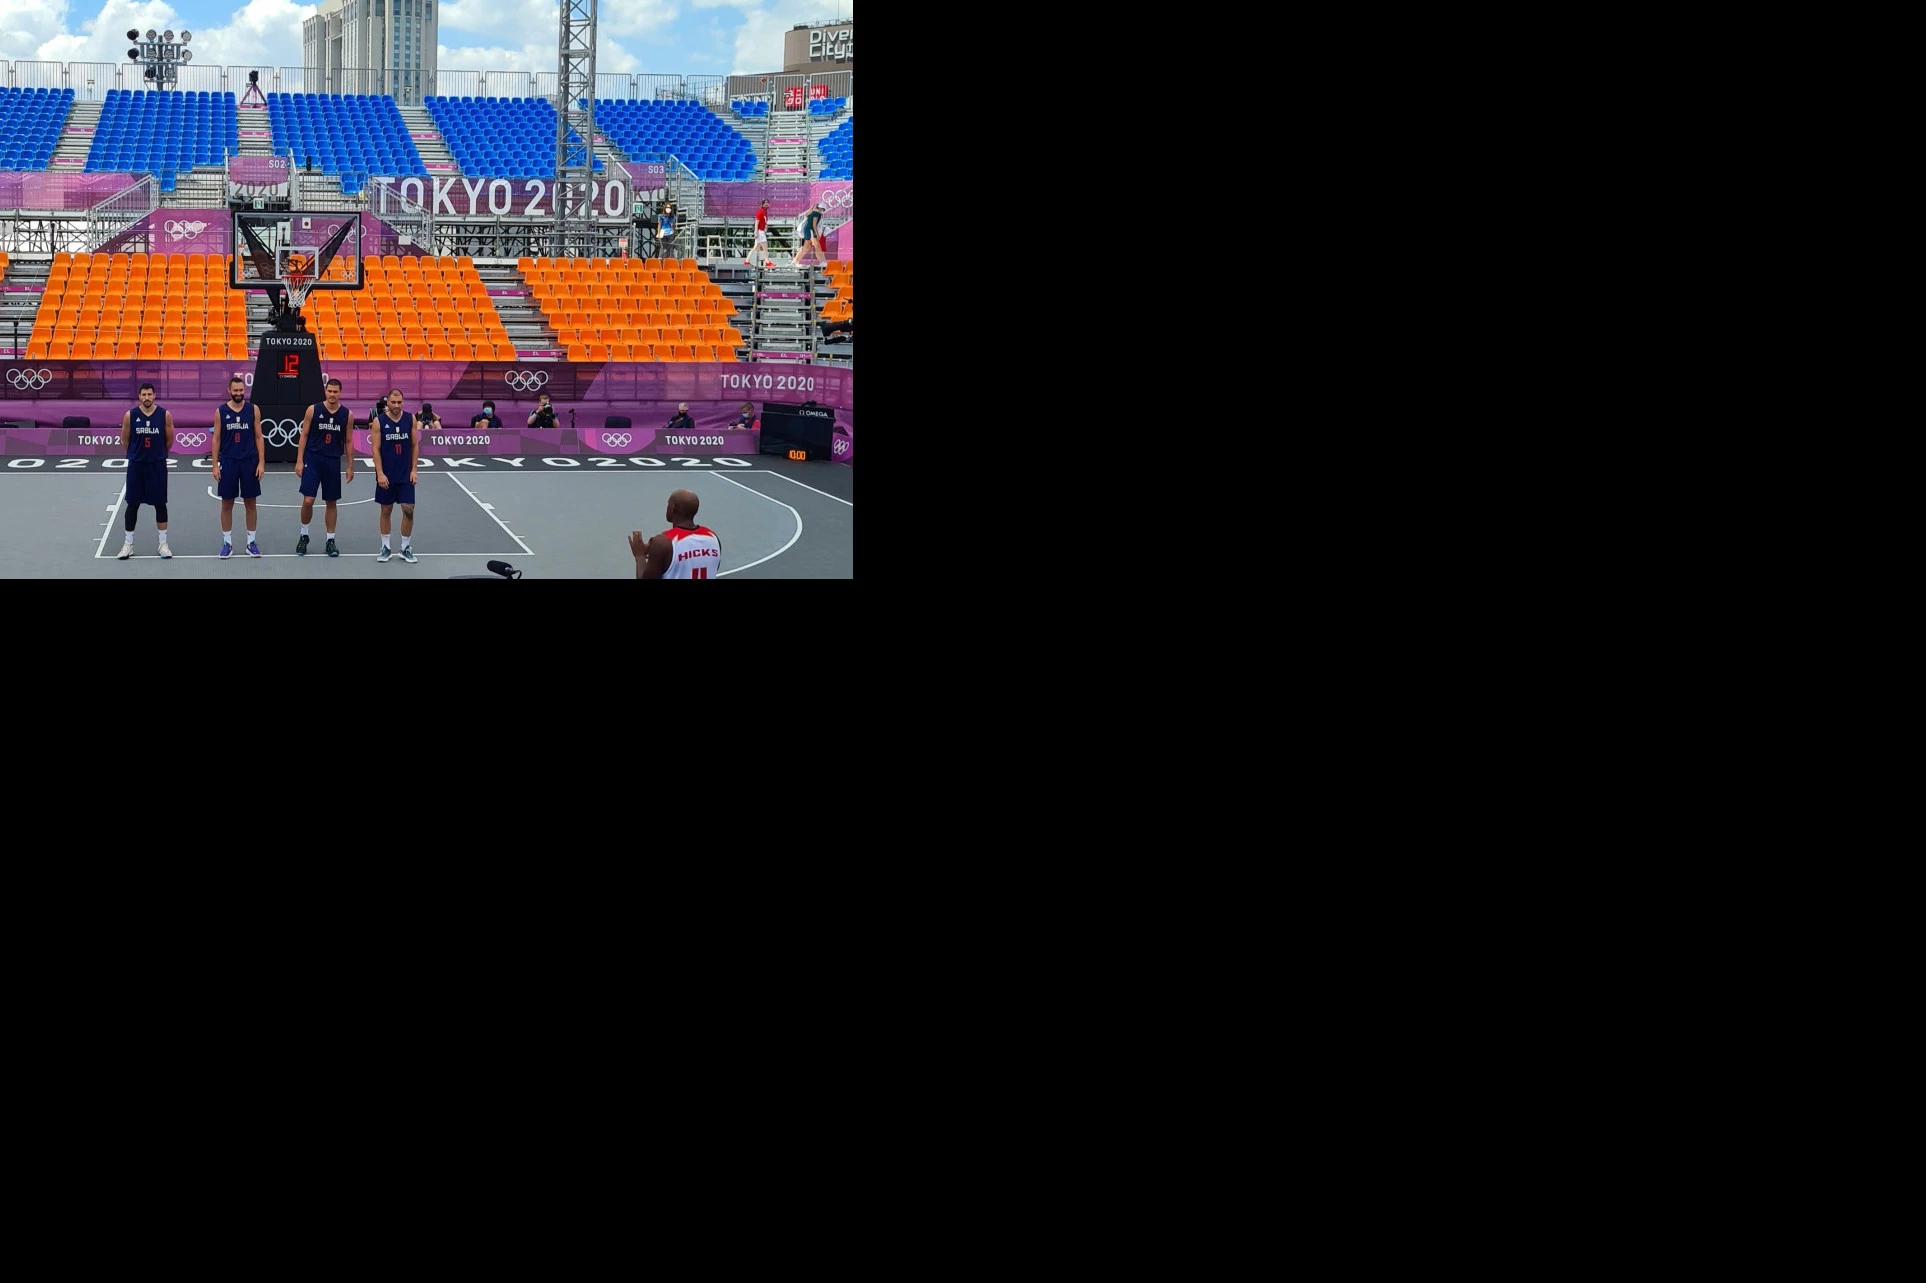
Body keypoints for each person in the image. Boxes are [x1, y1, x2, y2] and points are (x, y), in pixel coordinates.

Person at [292, 376, 354, 557]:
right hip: (313, 459)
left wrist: (350, 466)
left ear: (340, 393)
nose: (332, 394)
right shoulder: (313, 410)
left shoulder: (347, 414)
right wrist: (299, 460)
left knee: (331, 502)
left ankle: (330, 540)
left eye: (335, 392)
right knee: (308, 500)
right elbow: (303, 435)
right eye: (330, 391)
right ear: (325, 391)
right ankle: (304, 535)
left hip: (332, 461)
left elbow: (348, 441)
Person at [116, 381, 175, 560]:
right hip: (137, 465)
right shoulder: (130, 415)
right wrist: (136, 454)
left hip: (157, 465)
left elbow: (169, 440)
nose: (147, 397)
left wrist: (158, 454)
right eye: (144, 394)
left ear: (154, 395)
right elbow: (125, 440)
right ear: (139, 396)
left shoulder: (164, 415)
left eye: (150, 394)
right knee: (132, 504)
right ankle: (128, 544)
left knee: (160, 504)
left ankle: (163, 544)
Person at [212, 373, 264, 559]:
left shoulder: (253, 409)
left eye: (241, 390)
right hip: (229, 461)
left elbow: (259, 436)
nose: (239, 393)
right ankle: (227, 543)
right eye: (235, 390)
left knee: (250, 502)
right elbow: (216, 439)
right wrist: (215, 465)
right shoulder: (221, 411)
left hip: (249, 461)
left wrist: (261, 462)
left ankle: (251, 542)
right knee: (227, 503)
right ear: (229, 390)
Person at [371, 388, 419, 564]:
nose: (396, 405)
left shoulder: (410, 419)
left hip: (405, 474)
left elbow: (414, 445)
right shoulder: (379, 421)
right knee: (386, 509)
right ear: (388, 403)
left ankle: (405, 547)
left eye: (399, 402)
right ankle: (385, 547)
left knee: (408, 510)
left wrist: (414, 470)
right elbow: (375, 449)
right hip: (387, 474)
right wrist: (380, 473)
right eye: (393, 402)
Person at [629, 489, 721, 580]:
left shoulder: (663, 543)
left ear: (673, 508)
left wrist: (639, 555)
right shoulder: (713, 538)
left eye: (668, 503)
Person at [746, 199, 772, 268]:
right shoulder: (760, 212)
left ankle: (747, 260)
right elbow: (756, 222)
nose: (766, 204)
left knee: (755, 247)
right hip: (760, 231)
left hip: (762, 231)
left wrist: (765, 226)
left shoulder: (765, 212)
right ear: (762, 204)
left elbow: (764, 222)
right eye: (765, 203)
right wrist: (756, 232)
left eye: (767, 203)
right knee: (765, 247)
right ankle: (767, 262)